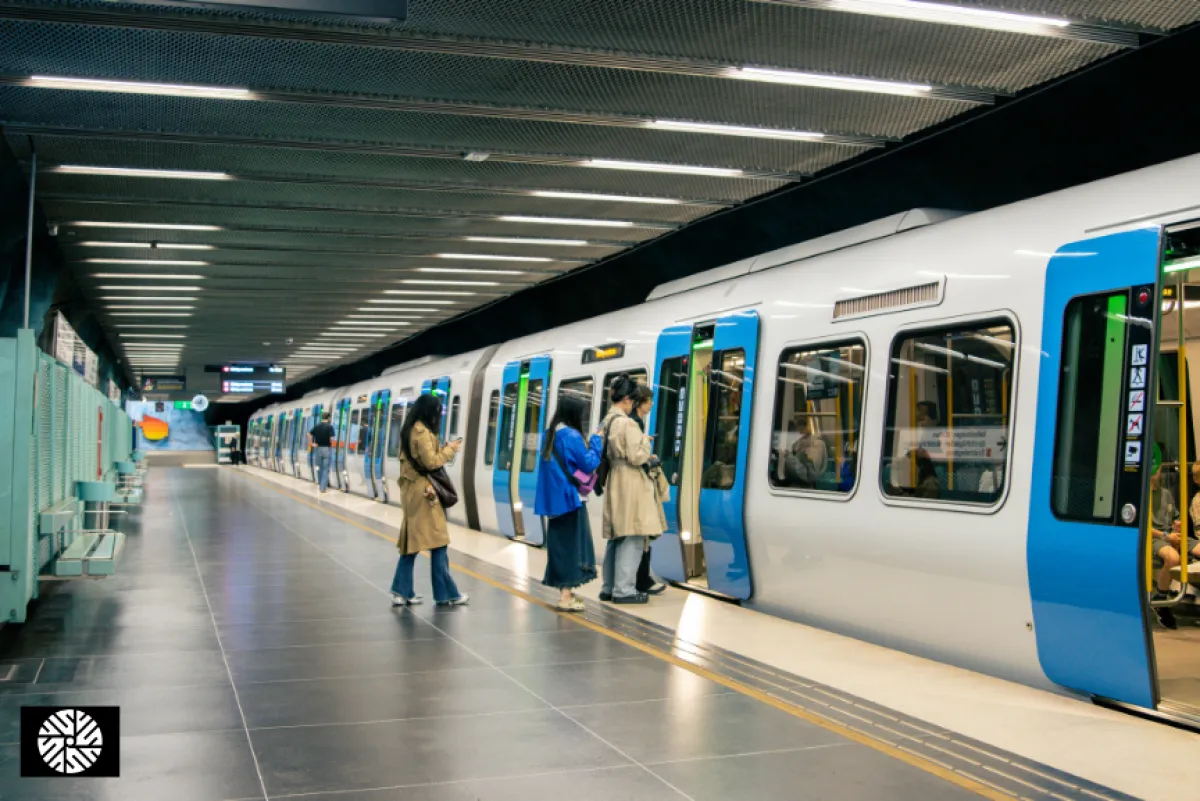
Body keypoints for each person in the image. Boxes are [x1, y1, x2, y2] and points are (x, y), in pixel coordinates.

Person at [390, 394, 468, 607]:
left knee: (412, 543)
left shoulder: (410, 430)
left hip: (413, 491)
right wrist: (450, 450)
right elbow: (432, 463)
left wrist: (441, 448)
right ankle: (446, 594)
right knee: (439, 542)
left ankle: (401, 590)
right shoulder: (422, 433)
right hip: (425, 494)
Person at [599, 375, 665, 604]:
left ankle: (608, 586)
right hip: (631, 481)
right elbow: (638, 456)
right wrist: (646, 442)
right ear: (627, 399)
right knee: (633, 535)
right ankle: (624, 589)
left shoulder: (607, 420)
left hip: (616, 479)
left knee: (617, 537)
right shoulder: (626, 423)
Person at [534, 395, 603, 612]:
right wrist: (597, 442)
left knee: (560, 547)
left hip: (554, 501)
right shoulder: (571, 436)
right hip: (571, 500)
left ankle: (567, 592)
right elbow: (589, 462)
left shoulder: (549, 434)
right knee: (574, 547)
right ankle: (565, 597)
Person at [628, 384, 667, 595]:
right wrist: (647, 454)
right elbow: (635, 456)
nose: (652, 403)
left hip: (638, 484)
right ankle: (640, 580)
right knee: (642, 534)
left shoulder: (637, 422)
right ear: (640, 402)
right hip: (638, 485)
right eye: (649, 400)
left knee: (643, 535)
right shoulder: (634, 423)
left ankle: (642, 578)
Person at [308, 411, 335, 493]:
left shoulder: (317, 426)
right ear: (329, 418)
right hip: (326, 449)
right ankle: (322, 488)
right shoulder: (330, 427)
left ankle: (320, 483)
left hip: (318, 449)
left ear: (322, 417)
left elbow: (308, 434)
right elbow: (331, 439)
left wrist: (312, 443)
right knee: (326, 469)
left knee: (319, 468)